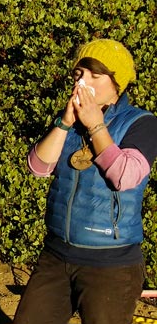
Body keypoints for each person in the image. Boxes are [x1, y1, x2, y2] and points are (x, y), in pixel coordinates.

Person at [13, 39, 157, 324]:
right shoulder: (70, 122)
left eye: (94, 75)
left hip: (111, 264)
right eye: (79, 75)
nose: (82, 83)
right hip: (57, 254)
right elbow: (38, 167)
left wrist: (95, 125)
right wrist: (65, 123)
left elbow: (124, 176)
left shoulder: (142, 123)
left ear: (117, 82)